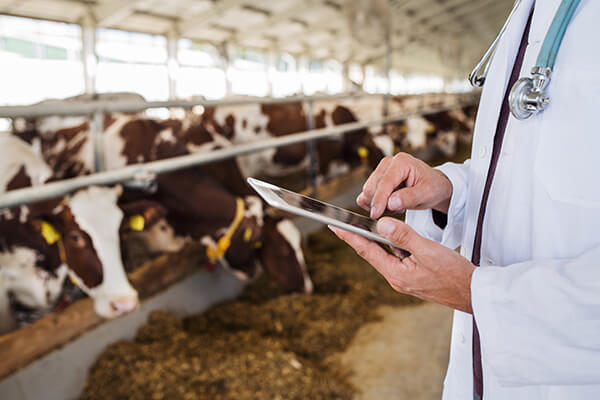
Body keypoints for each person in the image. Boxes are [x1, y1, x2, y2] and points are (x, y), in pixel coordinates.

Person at [329, 1, 600, 399]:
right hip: (475, 374)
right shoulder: (530, 8)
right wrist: (449, 189)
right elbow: (524, 169)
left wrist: (478, 293)